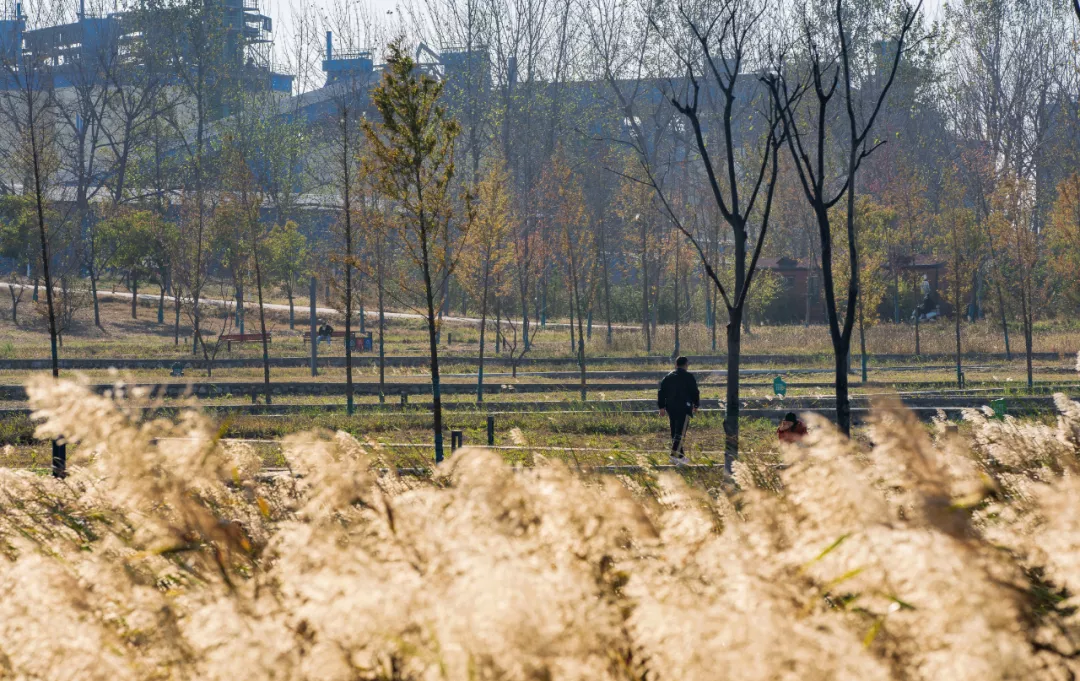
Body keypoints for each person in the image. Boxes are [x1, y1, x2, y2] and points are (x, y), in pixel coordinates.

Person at [658, 356, 700, 465]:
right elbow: (695, 392)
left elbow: (661, 392)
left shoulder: (668, 377)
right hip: (684, 407)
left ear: (676, 365)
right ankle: (673, 455)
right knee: (681, 432)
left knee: (674, 431)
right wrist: (696, 405)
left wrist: (661, 407)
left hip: (671, 407)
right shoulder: (689, 377)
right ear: (686, 365)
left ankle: (680, 457)